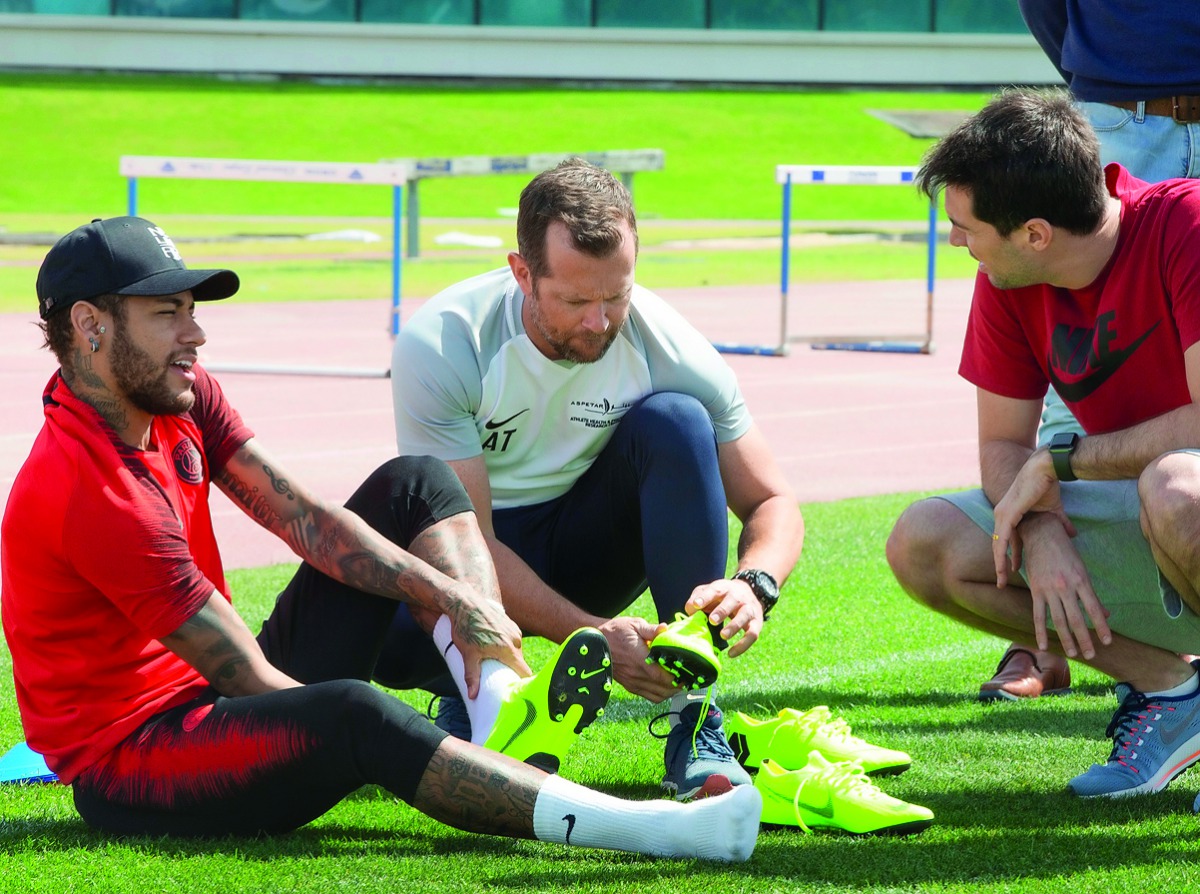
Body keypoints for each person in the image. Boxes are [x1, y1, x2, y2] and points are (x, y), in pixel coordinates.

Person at [0, 215, 762, 860]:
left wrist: (452, 599)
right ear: (90, 326)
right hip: (143, 761)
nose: (196, 333)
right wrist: (368, 738)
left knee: (416, 481)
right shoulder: (88, 490)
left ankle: (500, 707)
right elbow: (248, 683)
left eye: (191, 309)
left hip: (209, 702)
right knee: (353, 713)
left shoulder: (181, 397)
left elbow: (306, 518)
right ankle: (661, 831)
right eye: (168, 313)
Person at [384, 158, 807, 800]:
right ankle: (472, 688)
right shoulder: (445, 344)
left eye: (618, 294)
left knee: (676, 422)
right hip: (470, 561)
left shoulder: (670, 346)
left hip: (586, 542)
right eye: (577, 299)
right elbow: (463, 545)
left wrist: (755, 584)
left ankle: (694, 721)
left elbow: (772, 499)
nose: (601, 321)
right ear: (522, 272)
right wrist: (595, 635)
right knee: (372, 626)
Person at [885, 90, 1200, 799]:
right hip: (1146, 510)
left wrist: (1062, 463)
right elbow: (1001, 448)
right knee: (925, 541)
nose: (959, 242)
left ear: (1035, 233)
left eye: (967, 228)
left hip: (1185, 496)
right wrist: (1043, 532)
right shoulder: (1008, 277)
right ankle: (1173, 692)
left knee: (1176, 483)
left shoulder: (1187, 222)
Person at [978, 0, 1200, 702]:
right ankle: (1045, 628)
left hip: (1117, 102)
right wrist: (1097, 72)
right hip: (1119, 111)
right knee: (1069, 360)